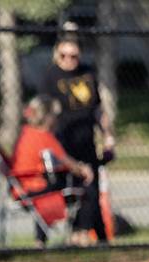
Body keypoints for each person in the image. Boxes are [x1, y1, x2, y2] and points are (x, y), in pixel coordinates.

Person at [40, 27, 116, 246]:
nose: (69, 60)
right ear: (56, 54)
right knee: (59, 191)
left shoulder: (87, 73)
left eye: (73, 56)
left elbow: (98, 110)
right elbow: (44, 114)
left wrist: (108, 137)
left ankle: (99, 239)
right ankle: (43, 240)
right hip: (62, 145)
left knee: (91, 190)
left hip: (87, 143)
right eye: (63, 56)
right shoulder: (50, 76)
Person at [10, 95, 94, 248]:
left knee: (59, 187)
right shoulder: (44, 136)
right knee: (86, 191)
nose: (57, 120)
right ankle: (79, 234)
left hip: (22, 188)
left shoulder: (26, 132)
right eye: (55, 116)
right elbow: (68, 162)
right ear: (48, 118)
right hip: (34, 189)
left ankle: (42, 241)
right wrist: (83, 169)